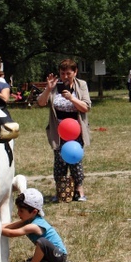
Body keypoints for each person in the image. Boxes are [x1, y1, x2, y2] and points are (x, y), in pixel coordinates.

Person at [37, 58, 91, 202]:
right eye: (62, 73)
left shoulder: (82, 85)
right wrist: (48, 88)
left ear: (75, 72)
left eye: (68, 73)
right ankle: (61, 191)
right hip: (59, 130)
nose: (65, 76)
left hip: (76, 130)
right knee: (59, 161)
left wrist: (71, 99)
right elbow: (41, 103)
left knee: (75, 159)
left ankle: (79, 190)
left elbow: (86, 107)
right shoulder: (55, 86)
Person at [2, 188, 74, 262]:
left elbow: (12, 233)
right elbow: (11, 226)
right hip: (48, 256)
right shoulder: (29, 219)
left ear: (34, 211)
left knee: (42, 242)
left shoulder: (34, 226)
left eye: (21, 211)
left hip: (58, 255)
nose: (18, 213)